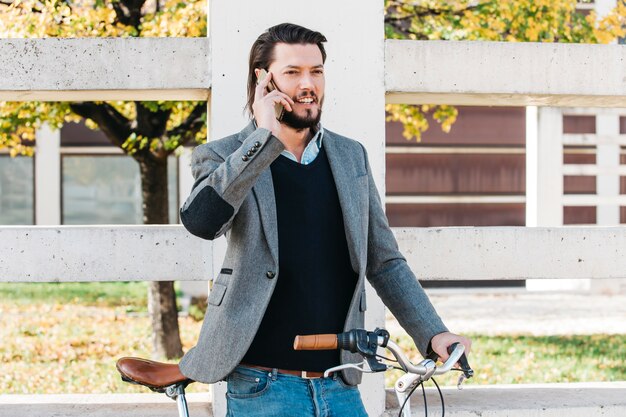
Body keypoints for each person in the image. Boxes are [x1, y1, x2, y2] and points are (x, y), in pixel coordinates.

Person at [178, 22, 471, 416]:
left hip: (339, 382)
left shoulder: (350, 157)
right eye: (293, 72)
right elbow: (201, 221)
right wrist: (263, 137)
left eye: (316, 71)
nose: (307, 84)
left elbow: (384, 261)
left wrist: (432, 332)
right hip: (262, 384)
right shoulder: (224, 156)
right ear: (263, 80)